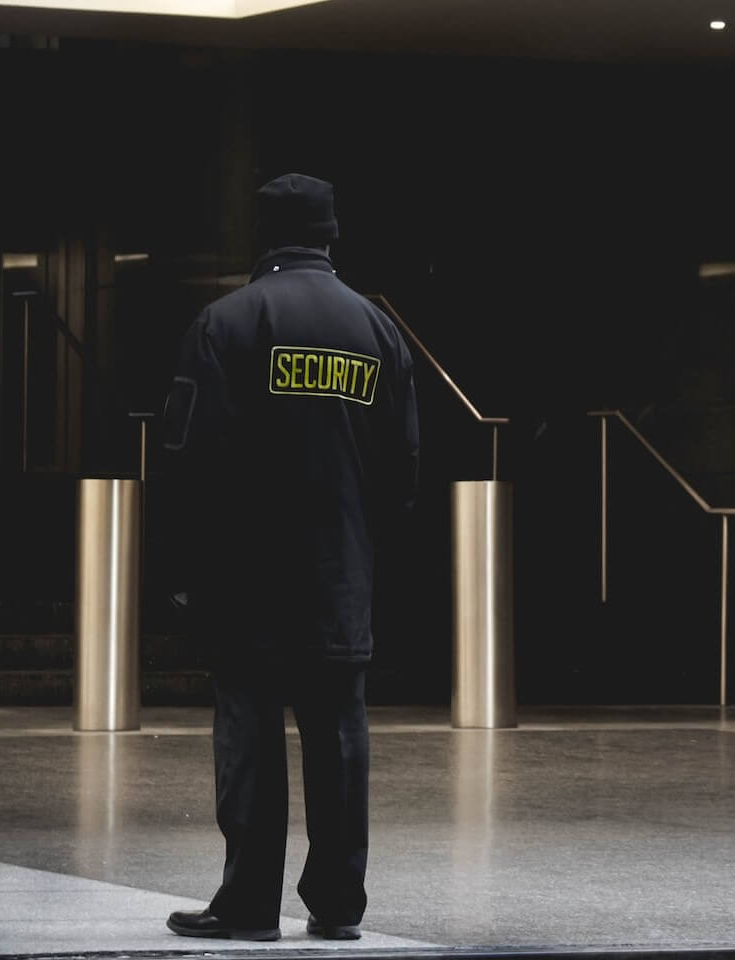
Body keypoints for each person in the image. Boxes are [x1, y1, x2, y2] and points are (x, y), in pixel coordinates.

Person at [161, 173, 419, 942]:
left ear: (263, 235)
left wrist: (185, 574)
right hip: (340, 576)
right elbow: (402, 476)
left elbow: (190, 463)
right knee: (340, 739)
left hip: (247, 583)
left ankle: (247, 905)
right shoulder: (379, 330)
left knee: (251, 740)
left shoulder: (226, 322)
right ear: (332, 234)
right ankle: (338, 906)